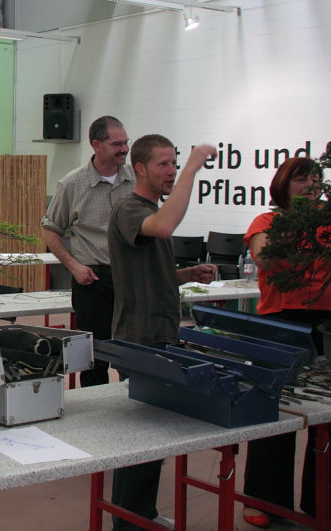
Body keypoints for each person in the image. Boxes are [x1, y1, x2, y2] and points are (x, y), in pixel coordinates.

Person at [107, 135, 217, 530]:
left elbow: (149, 271)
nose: (171, 171)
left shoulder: (148, 210)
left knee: (152, 435)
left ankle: (142, 514)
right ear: (140, 169)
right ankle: (129, 522)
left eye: (175, 164)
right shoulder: (129, 209)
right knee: (142, 438)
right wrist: (193, 167)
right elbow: (167, 225)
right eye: (163, 165)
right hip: (141, 338)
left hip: (158, 334)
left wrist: (185, 275)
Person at [241, 157, 331, 528]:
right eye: (301, 180)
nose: (310, 186)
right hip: (282, 322)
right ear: (282, 184)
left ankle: (322, 502)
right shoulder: (266, 222)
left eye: (316, 179)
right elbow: (265, 259)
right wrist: (300, 225)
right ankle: (263, 500)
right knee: (276, 411)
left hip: (330, 322)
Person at [41, 115, 134, 387]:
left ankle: (135, 404)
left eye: (126, 142)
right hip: (93, 281)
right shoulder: (72, 184)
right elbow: (50, 229)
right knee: (95, 355)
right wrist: (74, 266)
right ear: (96, 145)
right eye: (117, 144)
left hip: (132, 278)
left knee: (134, 352)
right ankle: (96, 408)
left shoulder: (137, 178)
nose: (124, 149)